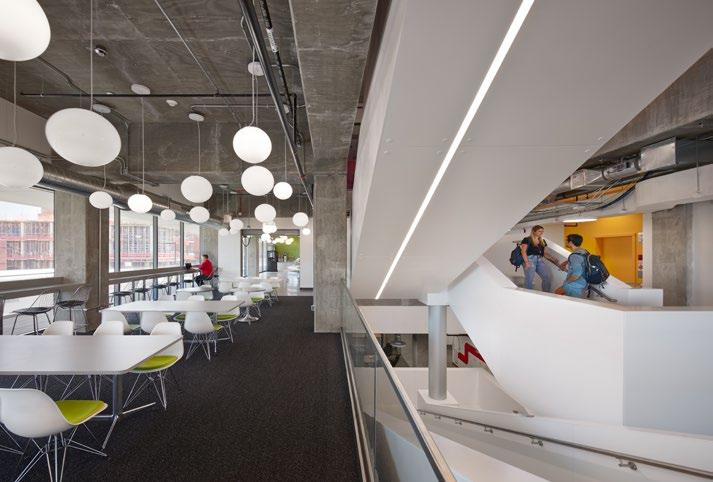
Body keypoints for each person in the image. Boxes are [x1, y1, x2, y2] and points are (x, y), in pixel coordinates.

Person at [519, 225, 556, 292]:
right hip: (529, 259)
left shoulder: (542, 241)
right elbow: (523, 251)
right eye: (539, 231)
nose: (541, 233)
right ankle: (527, 295)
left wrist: (553, 259)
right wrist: (527, 263)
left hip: (539, 259)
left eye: (542, 231)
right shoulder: (527, 239)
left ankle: (546, 294)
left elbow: (544, 253)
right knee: (529, 279)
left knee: (547, 276)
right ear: (534, 231)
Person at [555, 234, 589, 298]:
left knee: (556, 294)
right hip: (583, 284)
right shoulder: (584, 252)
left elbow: (576, 274)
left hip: (575, 286)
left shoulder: (575, 256)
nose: (565, 242)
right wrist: (567, 262)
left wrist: (566, 284)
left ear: (570, 242)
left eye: (566, 240)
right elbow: (580, 261)